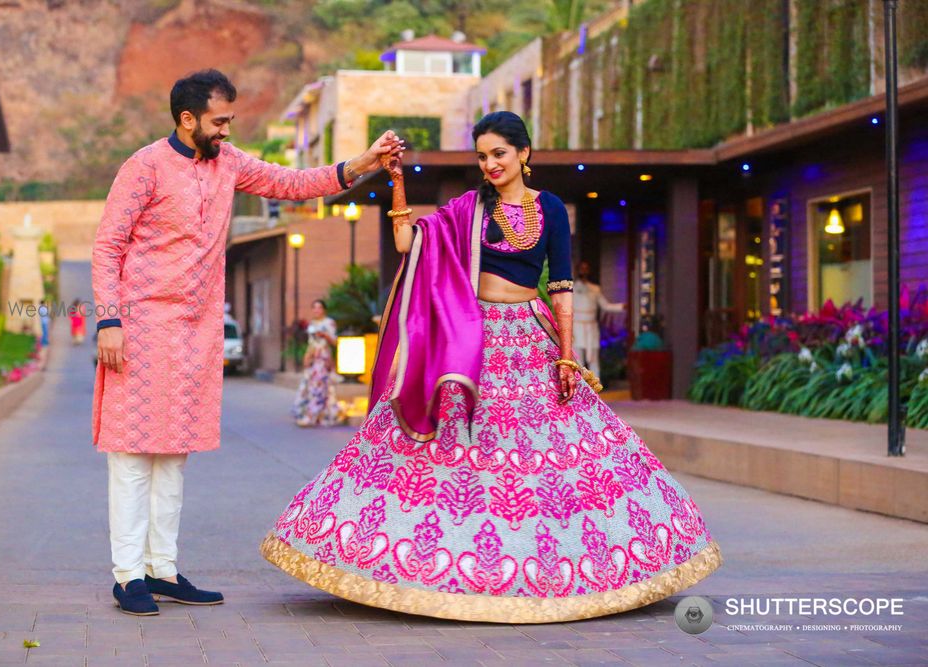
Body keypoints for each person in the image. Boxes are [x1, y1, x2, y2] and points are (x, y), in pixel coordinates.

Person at [261, 111, 721, 623]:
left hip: (531, 338)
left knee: (550, 462)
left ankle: (556, 569)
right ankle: (430, 565)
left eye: (499, 154)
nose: (490, 164)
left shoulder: (549, 209)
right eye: (482, 156)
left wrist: (567, 354)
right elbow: (407, 244)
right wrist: (396, 182)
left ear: (524, 153)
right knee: (452, 451)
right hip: (472, 342)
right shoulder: (468, 208)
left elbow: (562, 283)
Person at [92, 69, 403, 616]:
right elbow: (107, 245)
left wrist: (363, 162)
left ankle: (161, 569)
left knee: (174, 457)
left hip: (196, 332)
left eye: (230, 120)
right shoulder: (144, 165)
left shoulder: (229, 164)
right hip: (140, 327)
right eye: (219, 121)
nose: (227, 130)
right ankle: (127, 576)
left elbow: (294, 182)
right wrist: (109, 322)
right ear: (187, 119)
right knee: (133, 454)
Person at [292, 299, 343, 427]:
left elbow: (335, 342)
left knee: (319, 386)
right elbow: (311, 343)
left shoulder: (329, 323)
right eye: (314, 307)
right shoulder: (312, 324)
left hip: (323, 358)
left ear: (324, 309)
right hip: (313, 358)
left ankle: (311, 416)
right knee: (309, 386)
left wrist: (325, 335)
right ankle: (317, 414)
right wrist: (306, 357)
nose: (316, 310)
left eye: (319, 307)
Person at [572, 260, 624, 376]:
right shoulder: (571, 288)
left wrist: (623, 306)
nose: (583, 271)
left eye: (586, 268)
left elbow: (605, 306)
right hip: (577, 327)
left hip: (591, 327)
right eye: (581, 268)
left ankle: (596, 389)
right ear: (577, 270)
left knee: (594, 359)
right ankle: (579, 389)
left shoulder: (595, 289)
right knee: (578, 359)